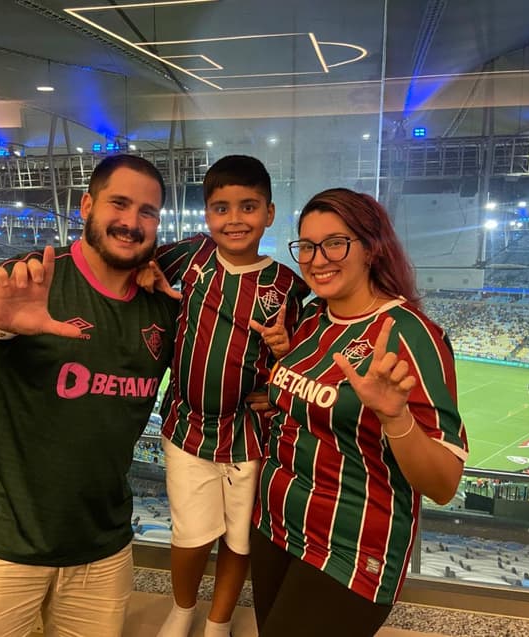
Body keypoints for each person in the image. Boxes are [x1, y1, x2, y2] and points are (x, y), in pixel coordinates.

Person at [0, 154, 179, 637]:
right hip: (0, 539)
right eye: (119, 204)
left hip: (103, 548)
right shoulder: (30, 278)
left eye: (147, 212)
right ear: (87, 205)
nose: (131, 223)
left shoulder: (164, 302)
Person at [250, 188, 468, 637]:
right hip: (275, 523)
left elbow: (443, 482)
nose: (317, 258)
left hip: (351, 544)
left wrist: (396, 417)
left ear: (371, 248)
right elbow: (317, 406)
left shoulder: (409, 334)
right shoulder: (311, 319)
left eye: (335, 242)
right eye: (306, 245)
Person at [151, 155, 309, 637]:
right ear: (207, 215)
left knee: (238, 541)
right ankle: (182, 611)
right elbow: (139, 263)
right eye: (221, 208)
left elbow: (301, 357)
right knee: (191, 535)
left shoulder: (286, 284)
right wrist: (147, 276)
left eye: (248, 206)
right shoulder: (193, 256)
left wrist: (280, 368)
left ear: (269, 213)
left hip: (250, 435)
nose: (234, 219)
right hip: (187, 428)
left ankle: (218, 622)